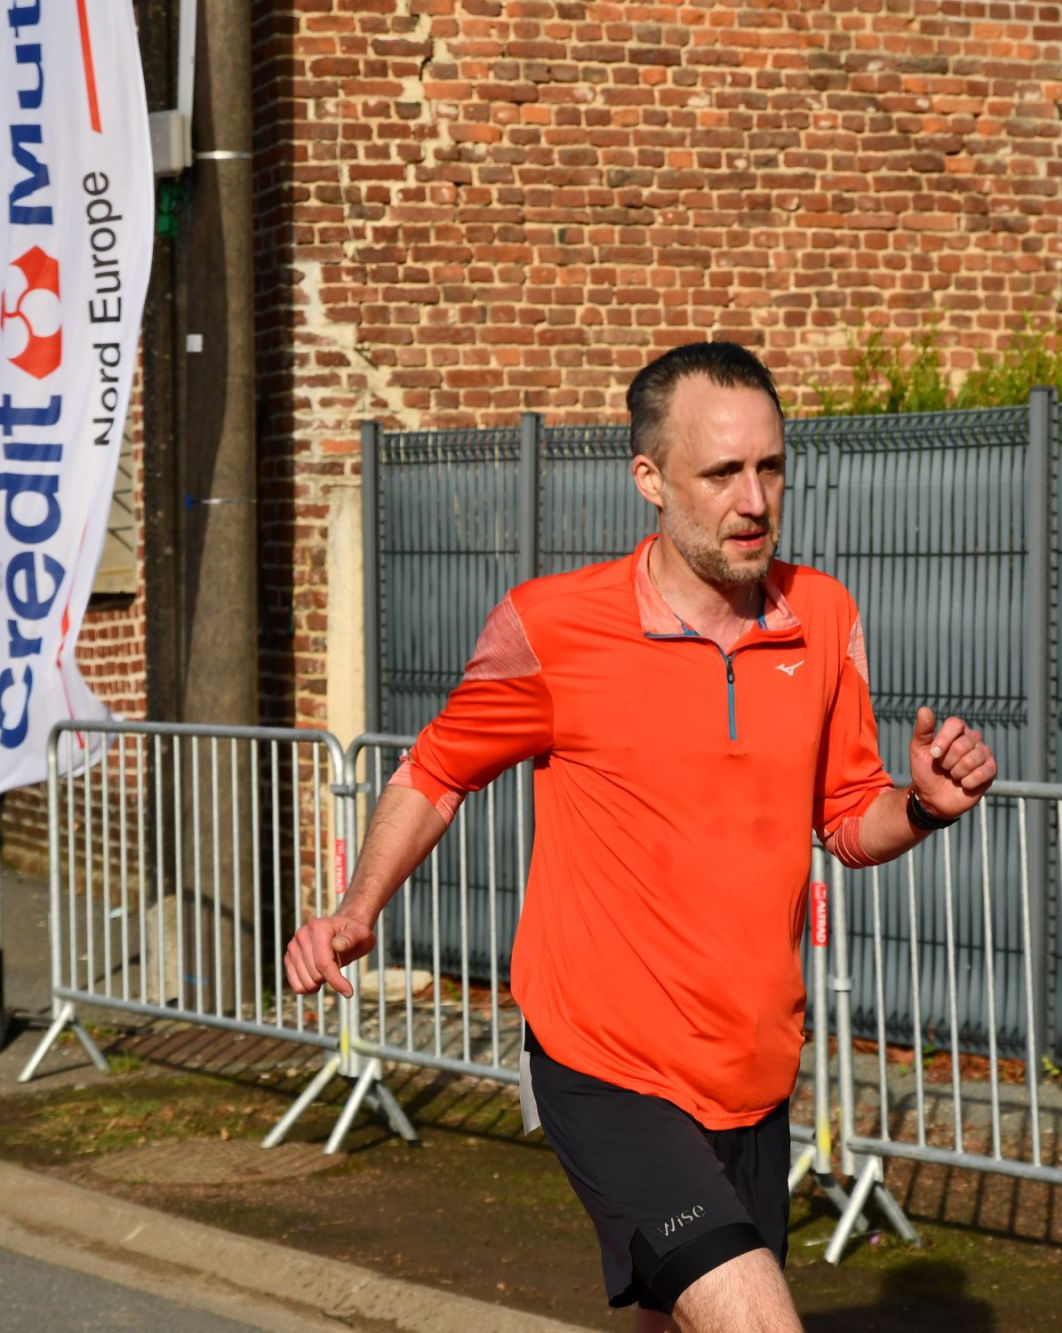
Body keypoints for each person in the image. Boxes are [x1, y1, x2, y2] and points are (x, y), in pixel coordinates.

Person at [285, 342, 996, 1333]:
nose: (754, 499)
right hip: (604, 1063)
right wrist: (358, 908)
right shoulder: (554, 627)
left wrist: (918, 806)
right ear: (650, 480)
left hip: (751, 1067)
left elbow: (846, 820)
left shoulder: (822, 614)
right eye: (722, 472)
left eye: (770, 466)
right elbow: (434, 771)